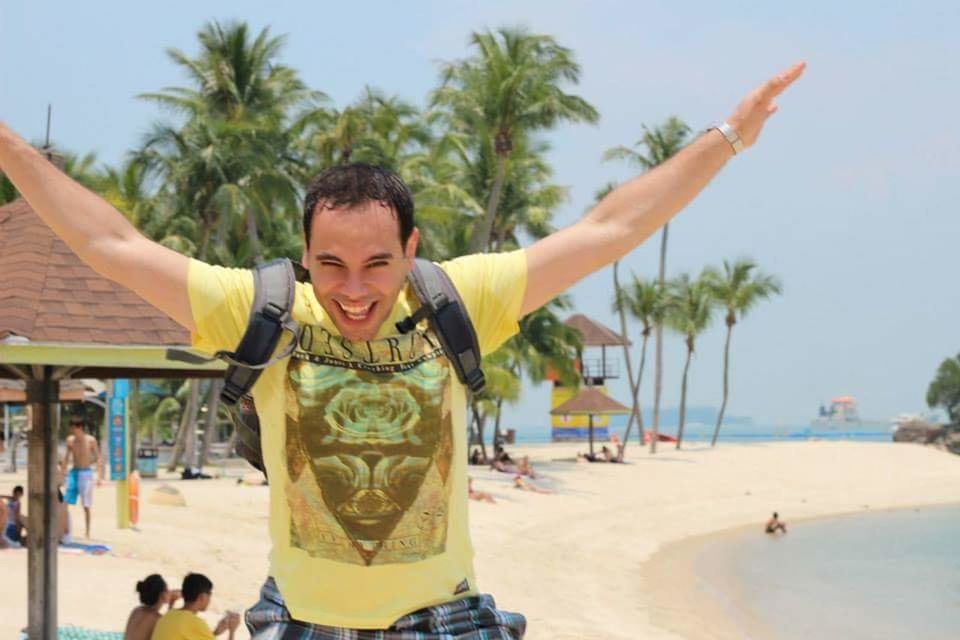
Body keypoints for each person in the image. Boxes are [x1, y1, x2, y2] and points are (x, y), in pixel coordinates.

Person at [0, 60, 804, 637]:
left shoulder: (460, 297)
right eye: (333, 264)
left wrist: (730, 136)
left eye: (379, 263)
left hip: (442, 619)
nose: (354, 289)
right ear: (305, 253)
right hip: (303, 623)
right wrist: (8, 147)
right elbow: (108, 240)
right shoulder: (264, 309)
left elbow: (611, 226)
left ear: (411, 245)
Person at [151, 573, 239, 640]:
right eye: (209, 594)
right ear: (202, 597)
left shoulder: (168, 615)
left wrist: (215, 632)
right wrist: (232, 630)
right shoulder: (195, 623)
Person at [61, 415, 102, 539]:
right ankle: (65, 529)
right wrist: (63, 472)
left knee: (86, 505)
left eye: (72, 427)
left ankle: (87, 531)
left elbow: (99, 458)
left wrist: (99, 477)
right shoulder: (70, 440)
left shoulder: (90, 440)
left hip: (86, 473)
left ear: (78, 427)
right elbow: (67, 457)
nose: (71, 430)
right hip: (74, 472)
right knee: (65, 501)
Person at [123, 574, 181, 640]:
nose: (170, 592)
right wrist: (172, 602)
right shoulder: (158, 619)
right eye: (167, 590)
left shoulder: (136, 611)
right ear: (162, 595)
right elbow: (170, 635)